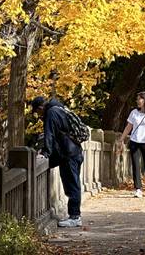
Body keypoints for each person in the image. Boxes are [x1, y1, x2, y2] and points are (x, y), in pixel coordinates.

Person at [31, 96, 84, 227]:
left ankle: (75, 217)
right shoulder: (60, 108)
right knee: (74, 184)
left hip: (68, 154)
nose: (38, 115)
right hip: (74, 150)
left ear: (40, 108)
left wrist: (45, 153)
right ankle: (74, 215)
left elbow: (50, 135)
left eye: (37, 112)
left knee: (72, 185)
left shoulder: (51, 113)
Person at [117, 91, 145, 197]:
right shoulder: (134, 112)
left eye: (139, 99)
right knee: (135, 165)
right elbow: (129, 126)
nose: (137, 101)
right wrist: (121, 139)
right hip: (135, 141)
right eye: (137, 99)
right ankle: (138, 188)